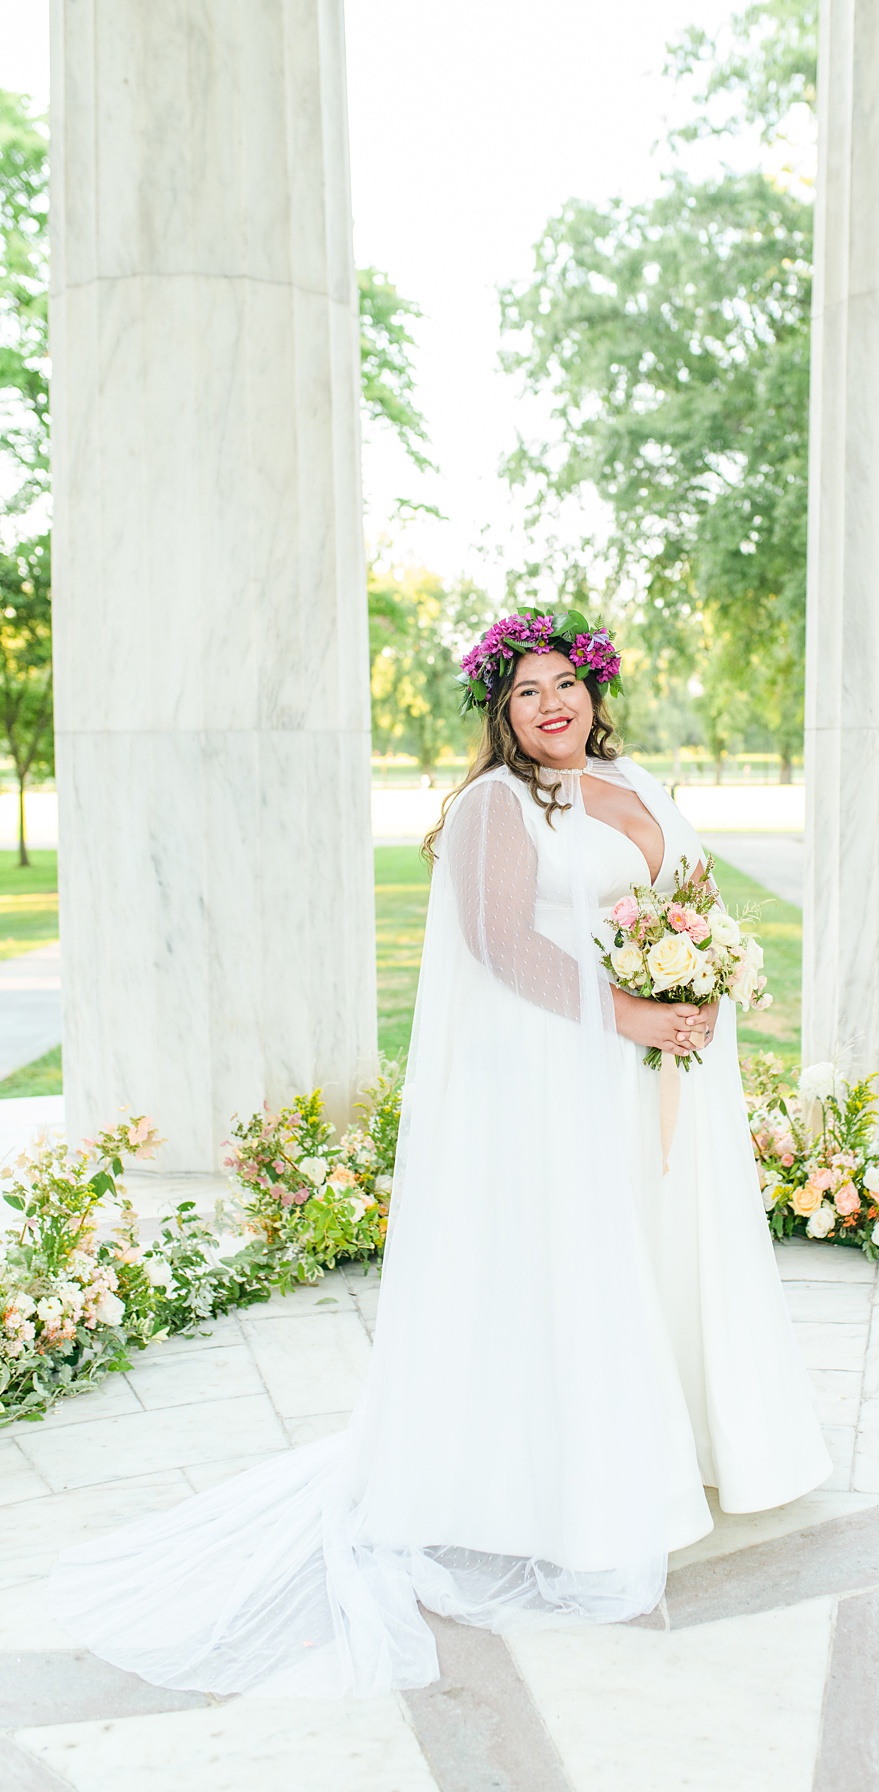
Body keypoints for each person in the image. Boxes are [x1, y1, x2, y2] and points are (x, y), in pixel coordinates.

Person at [46, 612, 829, 1696]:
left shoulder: (640, 781)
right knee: (579, 1271)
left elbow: (687, 904)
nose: (552, 703)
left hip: (660, 1081)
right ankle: (583, 1484)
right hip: (563, 1079)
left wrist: (696, 988)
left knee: (661, 1256)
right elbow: (503, 947)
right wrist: (632, 1013)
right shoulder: (493, 809)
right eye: (525, 692)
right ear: (499, 716)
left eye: (567, 682)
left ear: (596, 691)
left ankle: (700, 1445)